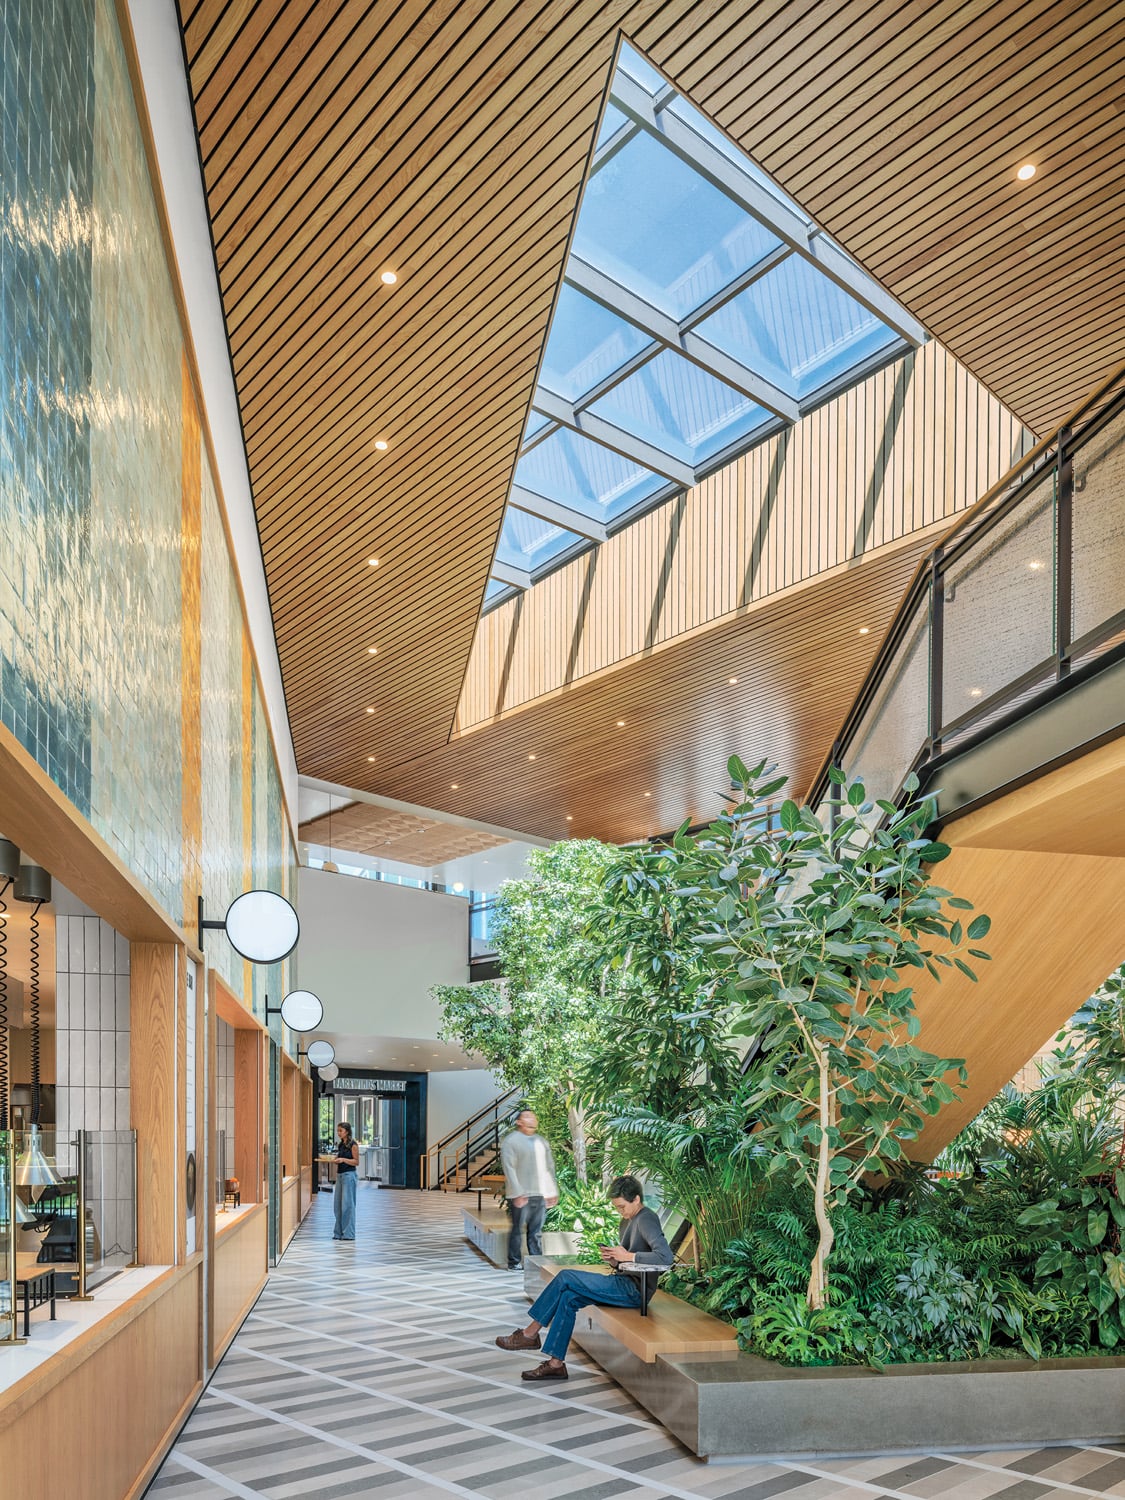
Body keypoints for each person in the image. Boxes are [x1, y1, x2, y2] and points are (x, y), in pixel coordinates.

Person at [495, 1174, 672, 1380]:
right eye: (616, 1207)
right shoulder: (628, 1221)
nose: (619, 1211)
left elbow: (665, 1257)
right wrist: (615, 1260)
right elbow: (629, 1261)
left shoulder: (647, 1218)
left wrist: (627, 1255)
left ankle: (530, 1334)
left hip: (633, 1291)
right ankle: (556, 1364)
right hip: (622, 1281)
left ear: (637, 1200)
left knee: (565, 1277)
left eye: (622, 1206)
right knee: (568, 1297)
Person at [499, 1108, 558, 1269]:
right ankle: (514, 1262)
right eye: (527, 1116)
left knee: (536, 1231)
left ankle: (536, 1262)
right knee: (517, 1230)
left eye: (533, 1116)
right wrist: (517, 1193)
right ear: (519, 1122)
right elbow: (509, 1168)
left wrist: (551, 1191)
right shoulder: (511, 1141)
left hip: (539, 1193)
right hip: (520, 1195)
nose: (531, 1119)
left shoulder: (541, 1141)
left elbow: (548, 1167)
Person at [332, 1121, 359, 1241]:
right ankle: (338, 1232)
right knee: (337, 1205)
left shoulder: (353, 1145)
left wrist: (343, 1159)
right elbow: (339, 1158)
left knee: (348, 1205)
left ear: (346, 1132)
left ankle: (348, 1233)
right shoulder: (340, 1144)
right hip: (340, 1176)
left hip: (349, 1175)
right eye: (337, 1131)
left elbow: (356, 1162)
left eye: (340, 1131)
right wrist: (336, 1159)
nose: (338, 1133)